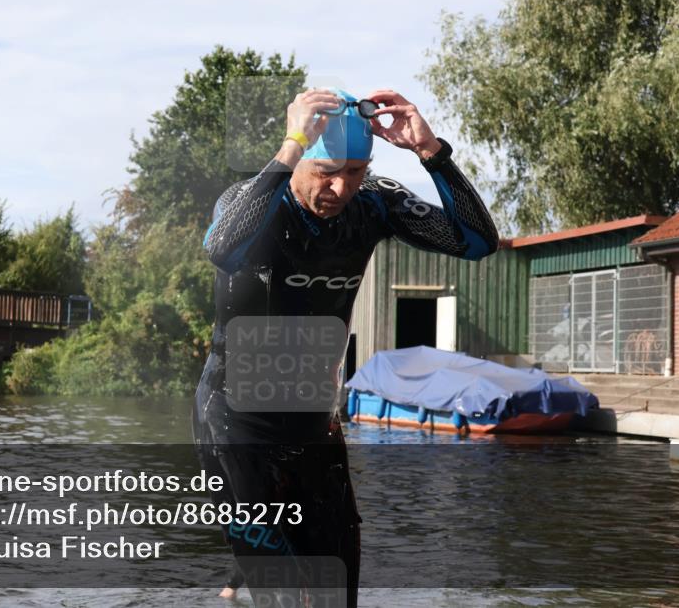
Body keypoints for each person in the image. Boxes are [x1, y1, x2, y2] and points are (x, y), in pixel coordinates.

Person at [194, 88, 499, 607]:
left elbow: (476, 241)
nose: (340, 187)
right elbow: (221, 246)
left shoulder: (374, 203)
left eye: (355, 172)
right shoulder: (254, 200)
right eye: (326, 171)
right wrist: (292, 144)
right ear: (300, 157)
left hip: (313, 424)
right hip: (235, 425)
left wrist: (431, 152)